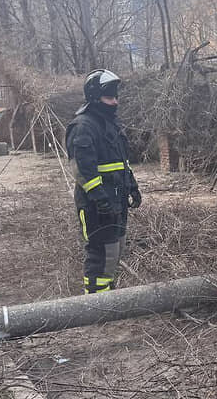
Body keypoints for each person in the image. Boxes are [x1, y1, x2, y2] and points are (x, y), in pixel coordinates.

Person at [65, 69, 142, 294]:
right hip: (96, 205)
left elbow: (121, 162)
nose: (114, 102)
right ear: (95, 97)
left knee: (115, 251)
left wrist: (133, 185)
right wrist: (99, 198)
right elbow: (81, 169)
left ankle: (109, 296)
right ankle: (96, 303)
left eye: (115, 97)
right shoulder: (83, 126)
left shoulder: (111, 124)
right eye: (110, 97)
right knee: (100, 253)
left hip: (116, 201)